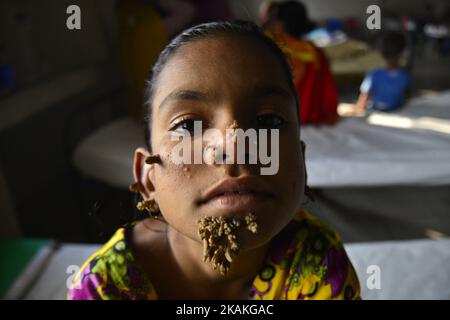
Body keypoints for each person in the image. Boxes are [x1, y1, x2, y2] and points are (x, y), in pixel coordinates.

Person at [68, 21, 360, 300]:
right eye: (188, 125)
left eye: (269, 119)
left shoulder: (317, 264)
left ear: (301, 161)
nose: (234, 145)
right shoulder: (104, 288)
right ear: (148, 179)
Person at [262, 1, 339, 125]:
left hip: (279, 114)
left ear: (281, 24)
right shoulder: (315, 52)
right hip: (310, 114)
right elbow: (328, 91)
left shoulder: (269, 46)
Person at [356, 31, 412, 113]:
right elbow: (407, 98)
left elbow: (363, 100)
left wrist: (358, 110)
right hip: (397, 113)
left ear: (381, 53)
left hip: (375, 111)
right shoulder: (405, 76)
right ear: (402, 52)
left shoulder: (375, 75)